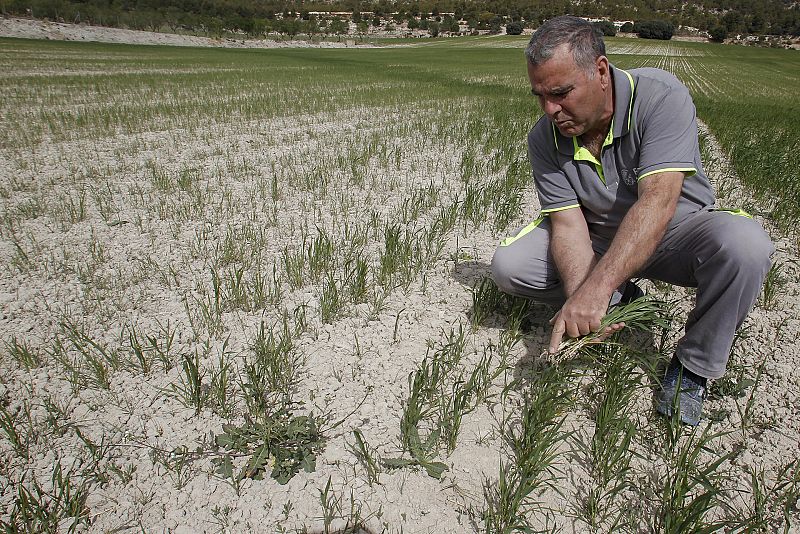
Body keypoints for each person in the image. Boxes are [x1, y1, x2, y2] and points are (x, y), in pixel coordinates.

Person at [490, 16, 774, 425]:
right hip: (600, 239)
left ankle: (692, 367)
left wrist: (596, 288)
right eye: (540, 96)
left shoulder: (659, 97)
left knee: (746, 246)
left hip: (675, 232)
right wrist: (585, 296)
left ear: (600, 71)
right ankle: (624, 303)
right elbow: (569, 226)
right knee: (511, 265)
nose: (550, 109)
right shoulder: (544, 138)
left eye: (561, 93)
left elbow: (658, 201)